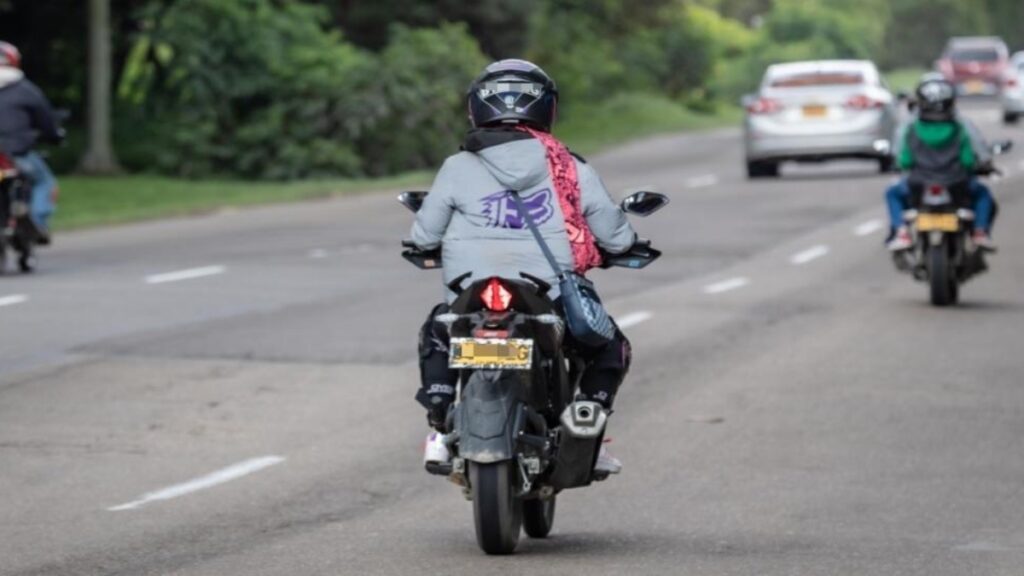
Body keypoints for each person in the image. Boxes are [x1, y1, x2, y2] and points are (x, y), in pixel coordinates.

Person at [409, 59, 638, 474]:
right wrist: (619, 247)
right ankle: (586, 422)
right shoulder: (569, 166)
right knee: (609, 348)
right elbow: (617, 238)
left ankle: (441, 423)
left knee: (438, 332)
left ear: (476, 107)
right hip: (547, 294)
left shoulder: (457, 167)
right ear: (547, 108)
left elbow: (424, 238)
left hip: (470, 292)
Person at [885, 74, 997, 252]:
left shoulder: (910, 126)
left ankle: (901, 232)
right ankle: (980, 232)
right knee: (983, 194)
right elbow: (970, 159)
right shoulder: (961, 125)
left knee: (892, 192)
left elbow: (904, 160)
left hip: (918, 184)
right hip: (957, 183)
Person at [0, 41, 62, 243]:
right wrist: (54, 135)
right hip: (16, 154)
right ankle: (36, 220)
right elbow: (47, 121)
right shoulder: (26, 90)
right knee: (44, 181)